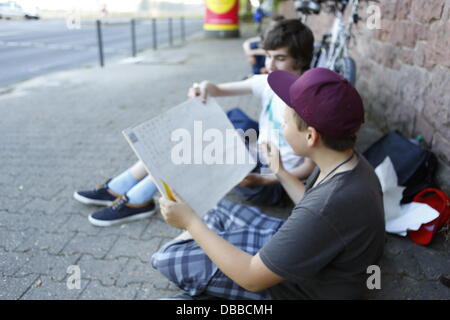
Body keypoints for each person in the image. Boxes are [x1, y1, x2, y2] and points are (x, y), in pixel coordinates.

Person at [152, 68, 386, 300]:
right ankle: (212, 251)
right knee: (214, 210)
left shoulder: (327, 206)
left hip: (298, 288)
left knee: (166, 257)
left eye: (284, 122)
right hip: (312, 249)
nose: (280, 128)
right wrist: (280, 172)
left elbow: (252, 278)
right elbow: (313, 205)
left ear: (311, 136)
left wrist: (190, 223)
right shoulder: (350, 162)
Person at [74, 19, 316, 226]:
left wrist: (266, 178)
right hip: (257, 150)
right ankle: (120, 186)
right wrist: (204, 87)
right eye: (268, 57)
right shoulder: (269, 82)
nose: (270, 66)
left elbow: (307, 168)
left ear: (301, 60)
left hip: (271, 179)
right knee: (211, 123)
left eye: (280, 58)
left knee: (195, 145)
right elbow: (218, 89)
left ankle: (137, 198)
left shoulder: (309, 101)